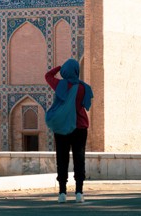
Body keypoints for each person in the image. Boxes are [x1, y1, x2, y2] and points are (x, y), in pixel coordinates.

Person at [45, 58, 93, 203]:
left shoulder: (60, 85)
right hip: (80, 126)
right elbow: (86, 103)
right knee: (79, 159)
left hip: (62, 127)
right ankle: (79, 192)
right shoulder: (84, 88)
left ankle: (62, 193)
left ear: (66, 71)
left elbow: (48, 76)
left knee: (62, 158)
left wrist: (60, 67)